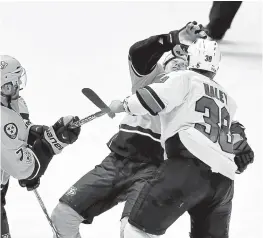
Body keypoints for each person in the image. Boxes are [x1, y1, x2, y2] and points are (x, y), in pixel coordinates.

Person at [50, 21, 206, 238]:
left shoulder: (193, 92)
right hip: (115, 162)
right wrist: (172, 39)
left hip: (155, 171)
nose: (180, 65)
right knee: (62, 216)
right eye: (175, 61)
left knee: (134, 233)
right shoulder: (152, 78)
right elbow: (138, 53)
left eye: (185, 63)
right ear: (163, 63)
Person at [109, 39, 254, 238]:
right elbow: (234, 138)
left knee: (137, 230)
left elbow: (152, 99)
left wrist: (123, 104)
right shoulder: (229, 100)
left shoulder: (184, 77)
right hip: (223, 181)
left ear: (190, 58)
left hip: (187, 166)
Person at [1, 55, 81, 238]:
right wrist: (50, 145)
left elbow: (21, 129)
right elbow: (24, 169)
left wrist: (44, 132)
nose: (19, 84)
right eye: (15, 81)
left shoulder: (13, 102)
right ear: (4, 86)